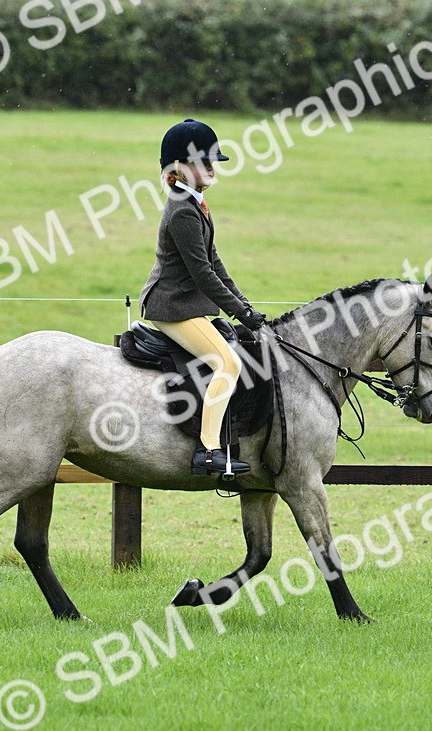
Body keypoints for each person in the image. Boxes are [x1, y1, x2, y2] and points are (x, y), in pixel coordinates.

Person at [138, 119, 266, 476]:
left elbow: (215, 262)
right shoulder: (182, 210)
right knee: (228, 364)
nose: (211, 168)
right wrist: (241, 312)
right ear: (178, 168)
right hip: (173, 307)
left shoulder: (196, 204)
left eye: (213, 160)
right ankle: (208, 451)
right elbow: (203, 275)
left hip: (186, 304)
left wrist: (247, 308)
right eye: (201, 161)